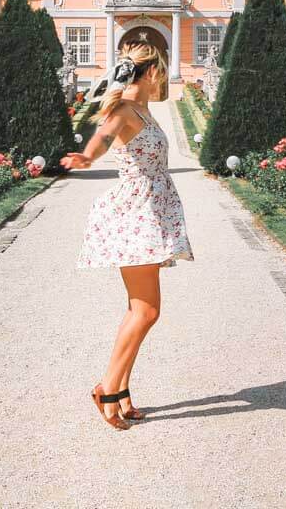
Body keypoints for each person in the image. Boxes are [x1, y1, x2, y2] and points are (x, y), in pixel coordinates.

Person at [60, 42, 193, 430]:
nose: (164, 77)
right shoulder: (123, 110)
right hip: (135, 215)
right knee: (146, 310)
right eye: (162, 70)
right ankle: (107, 388)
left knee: (141, 311)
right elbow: (103, 136)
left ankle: (120, 390)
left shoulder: (145, 111)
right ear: (152, 72)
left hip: (151, 212)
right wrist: (87, 157)